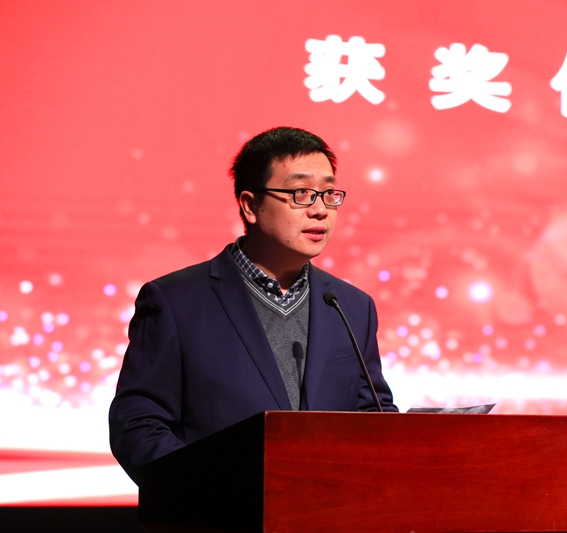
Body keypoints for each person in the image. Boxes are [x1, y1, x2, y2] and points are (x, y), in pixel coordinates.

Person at [109, 127, 397, 484]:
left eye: (328, 194)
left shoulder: (351, 306)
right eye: (302, 193)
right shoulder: (175, 302)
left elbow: (374, 416)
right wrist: (207, 491)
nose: (321, 210)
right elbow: (138, 424)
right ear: (250, 205)